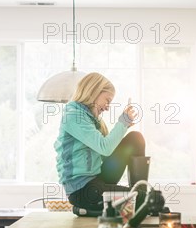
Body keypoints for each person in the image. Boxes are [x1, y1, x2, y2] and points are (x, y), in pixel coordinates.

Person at [54, 72, 145, 217]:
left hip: (97, 180)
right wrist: (123, 122)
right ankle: (92, 208)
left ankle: (140, 191)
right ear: (94, 91)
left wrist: (125, 125)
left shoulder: (91, 119)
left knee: (135, 138)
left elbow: (105, 153)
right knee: (150, 200)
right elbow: (105, 148)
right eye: (107, 100)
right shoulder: (73, 116)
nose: (108, 107)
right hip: (83, 190)